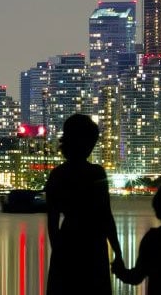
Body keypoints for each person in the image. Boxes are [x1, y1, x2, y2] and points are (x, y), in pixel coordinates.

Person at [44, 113, 123, 295]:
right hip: (93, 243)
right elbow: (106, 216)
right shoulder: (96, 173)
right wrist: (118, 253)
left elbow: (52, 222)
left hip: (67, 241)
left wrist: (58, 252)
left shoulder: (57, 175)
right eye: (91, 142)